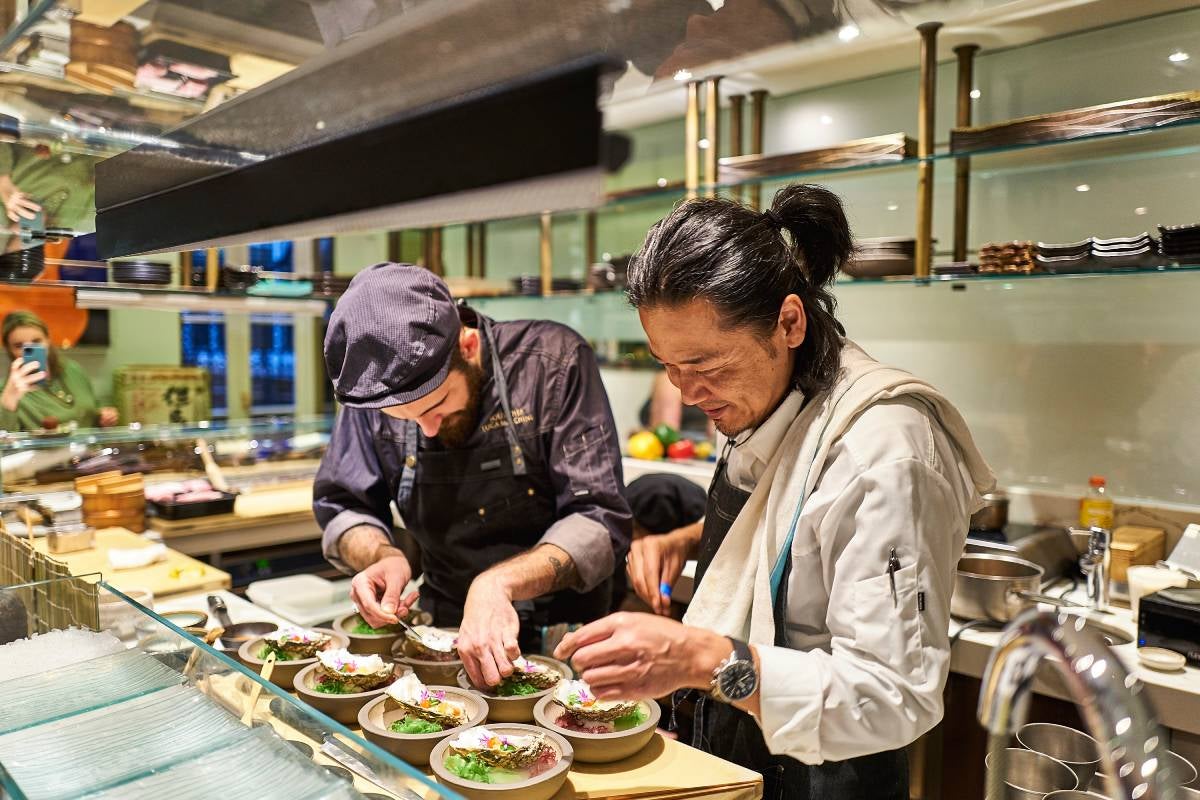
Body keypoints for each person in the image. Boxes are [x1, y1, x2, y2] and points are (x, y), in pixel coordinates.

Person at [555, 184, 994, 799]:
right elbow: (791, 523)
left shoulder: (885, 451)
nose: (686, 392)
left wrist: (699, 659)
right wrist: (687, 538)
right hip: (740, 763)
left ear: (789, 322)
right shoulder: (770, 401)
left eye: (707, 366)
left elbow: (894, 700)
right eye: (667, 365)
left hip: (828, 781)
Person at [314, 263, 632, 689]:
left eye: (435, 405)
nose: (425, 428)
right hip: (444, 631)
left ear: (467, 345)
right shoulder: (373, 395)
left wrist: (498, 583)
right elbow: (343, 505)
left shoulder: (552, 363)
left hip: (565, 635)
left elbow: (598, 518)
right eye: (404, 419)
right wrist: (383, 557)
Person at [1, 310, 118, 431]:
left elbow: (93, 410)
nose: (31, 349)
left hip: (88, 448)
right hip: (47, 450)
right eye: (19, 346)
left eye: (37, 341)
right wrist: (8, 400)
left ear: (48, 340)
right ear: (9, 350)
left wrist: (103, 416)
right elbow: (6, 440)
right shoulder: (8, 392)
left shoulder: (72, 370)